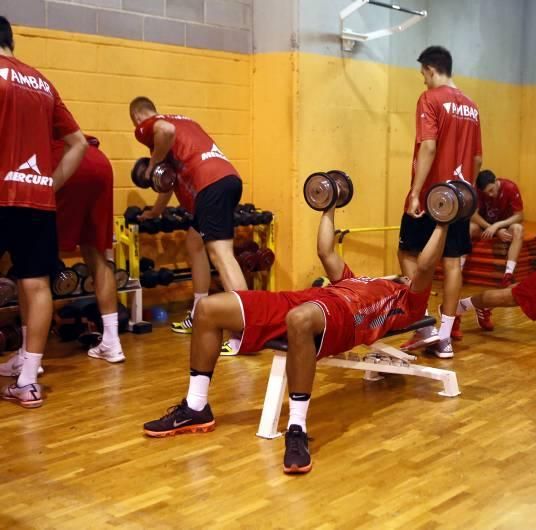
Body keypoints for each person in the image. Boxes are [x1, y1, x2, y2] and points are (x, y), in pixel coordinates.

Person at [142, 204, 448, 476]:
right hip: (306, 299)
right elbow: (326, 251)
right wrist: (329, 206)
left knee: (299, 320)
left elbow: (423, 266)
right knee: (208, 309)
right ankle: (196, 407)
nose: (405, 275)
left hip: (345, 317)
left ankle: (297, 428)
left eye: (409, 277)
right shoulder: (357, 279)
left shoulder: (409, 301)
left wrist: (442, 222)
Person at [0, 16, 88, 407]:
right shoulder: (41, 82)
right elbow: (79, 143)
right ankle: (29, 379)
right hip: (37, 200)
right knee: (35, 286)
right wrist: (49, 184)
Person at [129, 97, 246, 354]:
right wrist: (156, 211)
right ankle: (198, 312)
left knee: (222, 255)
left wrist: (150, 165)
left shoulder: (149, 126)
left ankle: (244, 332)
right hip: (226, 178)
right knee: (194, 244)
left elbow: (165, 132)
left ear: (138, 118)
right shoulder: (185, 121)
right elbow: (169, 181)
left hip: (209, 185)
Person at [0, 135, 122, 376]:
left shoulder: (16, 114)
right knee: (97, 255)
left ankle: (28, 356)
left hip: (64, 162)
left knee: (33, 263)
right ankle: (112, 342)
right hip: (99, 162)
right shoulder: (48, 101)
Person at [398, 45, 482, 358]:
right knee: (452, 262)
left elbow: (429, 147)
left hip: (434, 196)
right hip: (460, 196)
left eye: (423, 75)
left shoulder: (430, 99)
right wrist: (467, 195)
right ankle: (444, 337)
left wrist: (417, 192)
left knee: (407, 252)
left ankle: (422, 326)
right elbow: (478, 157)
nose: (423, 81)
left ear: (431, 69)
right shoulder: (472, 106)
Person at [470, 169, 524, 288]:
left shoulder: (510, 187)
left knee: (518, 229)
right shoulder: (477, 191)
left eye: (491, 190)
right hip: (486, 226)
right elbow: (473, 215)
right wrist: (492, 228)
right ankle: (459, 268)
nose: (490, 194)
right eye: (486, 192)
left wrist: (498, 226)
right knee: (468, 228)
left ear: (496, 181)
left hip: (504, 226)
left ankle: (508, 275)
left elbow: (519, 216)